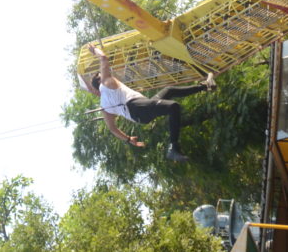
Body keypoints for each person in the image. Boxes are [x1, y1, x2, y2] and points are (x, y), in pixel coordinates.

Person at [84, 44, 216, 163]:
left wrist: (129, 139)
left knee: (169, 90)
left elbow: (112, 129)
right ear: (101, 79)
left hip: (140, 110)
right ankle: (173, 148)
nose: (111, 74)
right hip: (136, 107)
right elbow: (103, 58)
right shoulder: (106, 82)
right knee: (173, 106)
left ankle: (205, 86)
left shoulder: (104, 107)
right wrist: (94, 49)